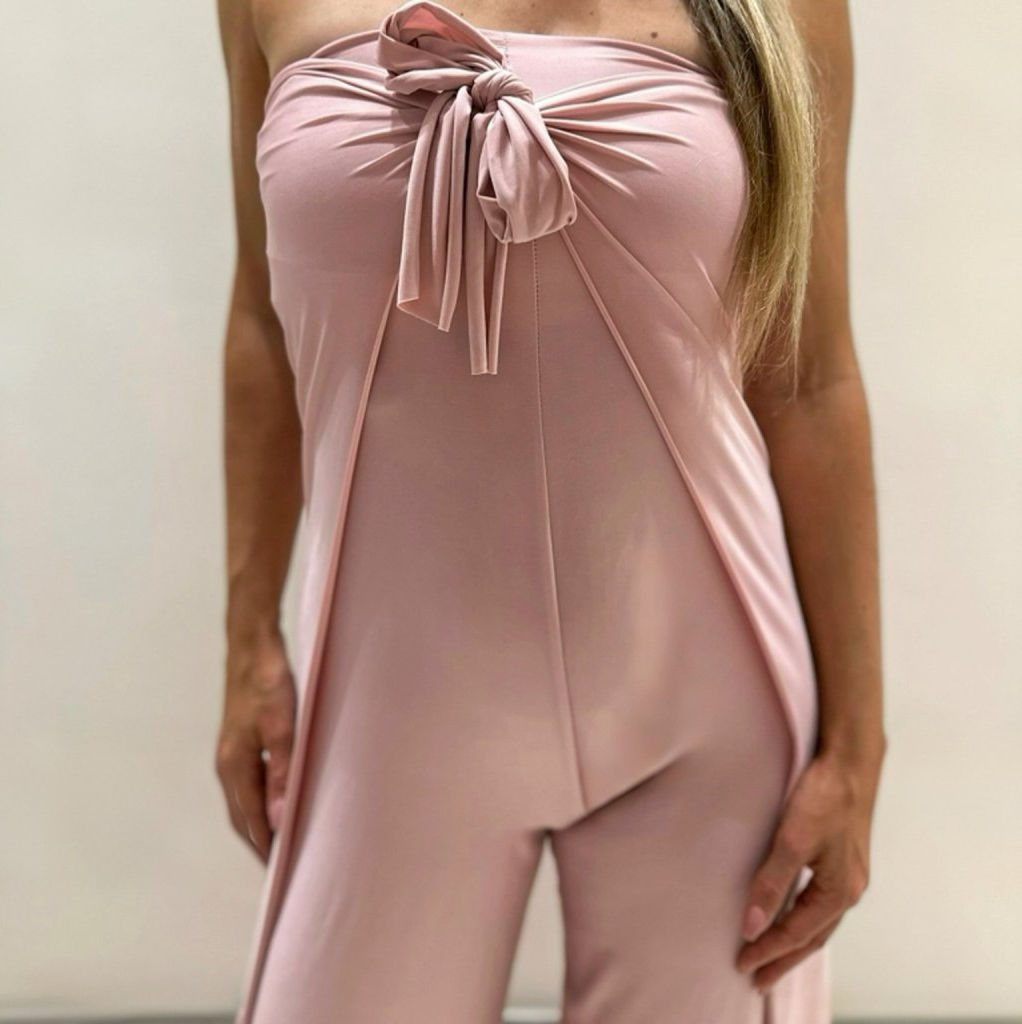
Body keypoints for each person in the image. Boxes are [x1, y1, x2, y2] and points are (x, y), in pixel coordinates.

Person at [214, 0, 886, 1020]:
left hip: (711, 715)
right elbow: (261, 324)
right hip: (385, 718)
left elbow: (807, 379)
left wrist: (857, 747)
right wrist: (247, 641)